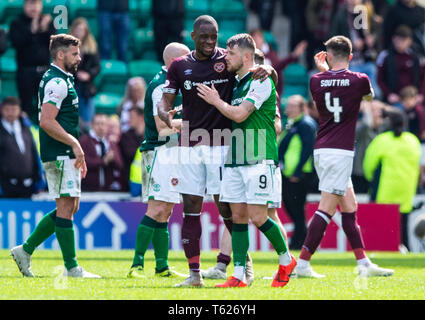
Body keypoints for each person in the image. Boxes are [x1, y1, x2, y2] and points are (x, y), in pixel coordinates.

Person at [157, 15, 277, 287]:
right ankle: (194, 275)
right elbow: (164, 103)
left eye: (214, 37)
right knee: (191, 209)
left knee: (227, 209)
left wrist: (269, 70)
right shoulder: (179, 66)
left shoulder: (227, 60)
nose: (211, 42)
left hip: (221, 145)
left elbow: (257, 68)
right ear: (193, 37)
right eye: (205, 37)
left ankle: (243, 266)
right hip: (190, 145)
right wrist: (167, 117)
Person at [196, 33, 296, 288]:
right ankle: (239, 275)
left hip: (259, 158)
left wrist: (216, 100)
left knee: (259, 216)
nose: (226, 58)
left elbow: (240, 115)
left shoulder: (260, 81)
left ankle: (286, 260)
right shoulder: (238, 81)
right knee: (237, 215)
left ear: (247, 56)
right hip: (236, 159)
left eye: (231, 54)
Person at [295, 35, 394, 278]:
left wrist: (325, 71)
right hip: (339, 151)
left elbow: (324, 97)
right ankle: (303, 264)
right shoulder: (360, 79)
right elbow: (369, 98)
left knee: (349, 207)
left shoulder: (316, 80)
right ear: (350, 57)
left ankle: (363, 263)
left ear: (327, 56)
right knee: (326, 209)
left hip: (323, 149)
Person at [10, 34, 99, 278]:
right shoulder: (56, 83)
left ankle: (25, 250)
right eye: (74, 54)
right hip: (59, 152)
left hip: (64, 151)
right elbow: (46, 122)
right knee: (65, 205)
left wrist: (74, 147)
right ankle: (72, 268)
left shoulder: (63, 80)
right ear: (60, 55)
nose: (79, 58)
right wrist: (74, 144)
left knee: (70, 206)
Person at [127, 42, 190, 279]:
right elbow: (161, 128)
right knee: (156, 208)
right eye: (186, 58)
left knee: (166, 210)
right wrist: (194, 125)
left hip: (171, 152)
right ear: (174, 62)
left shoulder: (173, 85)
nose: (190, 62)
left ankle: (161, 266)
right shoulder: (160, 87)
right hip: (159, 151)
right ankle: (136, 264)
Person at [363, 109, 421, 251]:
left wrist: (371, 180)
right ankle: (405, 249)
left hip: (384, 191)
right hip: (406, 190)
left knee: (381, 229)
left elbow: (368, 165)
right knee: (403, 227)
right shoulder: (413, 140)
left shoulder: (382, 139)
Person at [278, 95, 316, 250]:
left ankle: (300, 242)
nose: (289, 108)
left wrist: (298, 171)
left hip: (298, 175)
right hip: (288, 172)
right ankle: (303, 239)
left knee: (297, 208)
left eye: (293, 106)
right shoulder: (291, 123)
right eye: (289, 105)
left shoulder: (305, 124)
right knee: (290, 206)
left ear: (302, 108)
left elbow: (308, 149)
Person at [9, 0, 56, 124]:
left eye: (36, 4)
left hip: (44, 71)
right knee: (25, 107)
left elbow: (54, 46)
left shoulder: (47, 21)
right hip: (25, 72)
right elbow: (16, 42)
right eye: (31, 4)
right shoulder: (17, 23)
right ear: (25, 5)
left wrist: (45, 30)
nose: (34, 8)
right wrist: (33, 30)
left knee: (47, 106)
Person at [0, 97, 42, 198]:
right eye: (7, 110)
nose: (10, 113)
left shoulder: (27, 127)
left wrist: (38, 179)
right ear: (1, 110)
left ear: (19, 111)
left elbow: (34, 153)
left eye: (13, 110)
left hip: (28, 185)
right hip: (6, 186)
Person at [250, 28, 307, 96]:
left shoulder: (271, 53)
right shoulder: (248, 56)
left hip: (271, 91)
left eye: (258, 38)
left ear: (262, 39)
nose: (256, 41)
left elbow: (277, 66)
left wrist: (293, 55)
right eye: (254, 39)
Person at [377, 25, 425, 105]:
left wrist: (421, 94)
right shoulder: (385, 56)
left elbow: (423, 77)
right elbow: (380, 79)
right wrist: (389, 94)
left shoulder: (417, 56)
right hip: (395, 99)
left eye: (403, 41)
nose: (399, 44)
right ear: (393, 39)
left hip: (414, 98)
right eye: (397, 40)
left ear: (409, 41)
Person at [79, 113, 124, 192]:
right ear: (92, 125)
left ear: (107, 126)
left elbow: (120, 165)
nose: (101, 127)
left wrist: (113, 158)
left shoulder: (111, 142)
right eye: (98, 124)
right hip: (87, 189)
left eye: (103, 124)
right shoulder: (84, 141)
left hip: (108, 189)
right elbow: (84, 162)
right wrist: (103, 161)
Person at [69, 18, 101, 127]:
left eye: (82, 30)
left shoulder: (92, 46)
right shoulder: (66, 46)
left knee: (87, 122)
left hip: (86, 88)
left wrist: (88, 75)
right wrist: (75, 74)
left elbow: (97, 67)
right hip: (71, 86)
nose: (79, 33)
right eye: (77, 30)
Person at [352, 99, 387, 193]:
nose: (379, 113)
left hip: (374, 171)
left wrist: (384, 107)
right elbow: (366, 124)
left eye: (380, 111)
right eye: (375, 111)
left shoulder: (382, 127)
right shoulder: (360, 126)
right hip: (359, 173)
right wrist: (366, 109)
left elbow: (398, 115)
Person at [119, 107, 145, 192]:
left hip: (149, 181)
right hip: (132, 183)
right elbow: (130, 153)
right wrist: (139, 135)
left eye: (131, 117)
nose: (128, 120)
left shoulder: (150, 135)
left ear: (141, 118)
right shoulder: (126, 136)